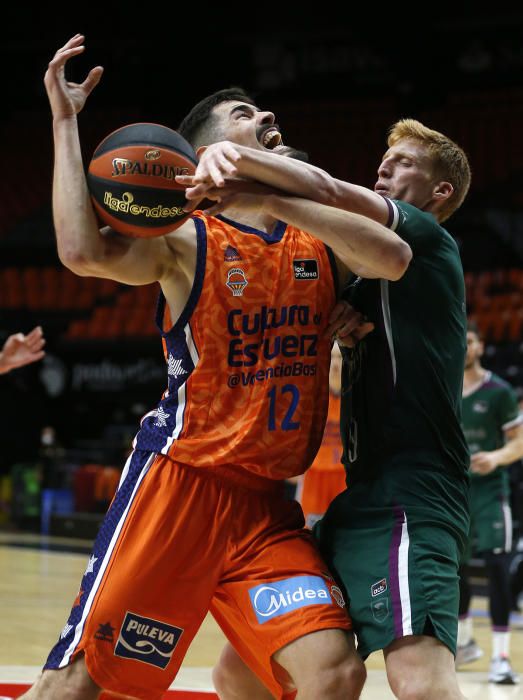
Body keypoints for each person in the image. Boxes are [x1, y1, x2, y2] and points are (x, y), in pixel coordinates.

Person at [22, 34, 412, 700]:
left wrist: (285, 213)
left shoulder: (316, 233)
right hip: (180, 489)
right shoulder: (186, 239)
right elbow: (82, 251)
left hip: (265, 510)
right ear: (204, 153)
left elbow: (392, 257)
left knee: (334, 673)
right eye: (243, 115)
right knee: (83, 682)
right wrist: (65, 123)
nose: (264, 118)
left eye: (264, 114)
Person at [183, 119, 472, 699]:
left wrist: (239, 165)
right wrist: (342, 337)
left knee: (417, 678)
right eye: (385, 157)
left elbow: (331, 191)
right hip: (359, 495)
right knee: (240, 670)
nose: (386, 166)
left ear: (441, 192)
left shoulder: (428, 240)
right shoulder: (358, 279)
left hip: (413, 492)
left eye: (407, 161)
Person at [456, 321, 523, 684]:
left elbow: (519, 442)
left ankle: (500, 658)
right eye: (460, 342)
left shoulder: (499, 392)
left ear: (481, 346)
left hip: (491, 491)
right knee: (455, 570)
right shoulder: (444, 388)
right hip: (454, 492)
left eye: (470, 342)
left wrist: (496, 458)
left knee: (497, 568)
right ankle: (465, 643)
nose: (464, 348)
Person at [294, 342, 346, 529]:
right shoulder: (312, 394)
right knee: (309, 537)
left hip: (344, 478)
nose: (335, 364)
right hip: (314, 479)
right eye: (332, 357)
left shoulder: (356, 396)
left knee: (343, 536)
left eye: (340, 358)